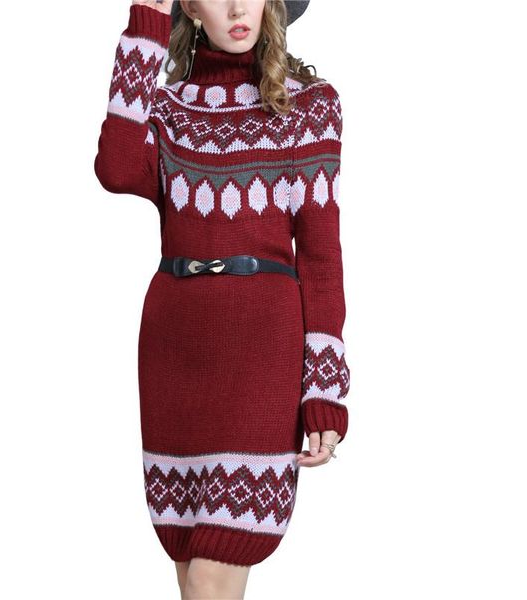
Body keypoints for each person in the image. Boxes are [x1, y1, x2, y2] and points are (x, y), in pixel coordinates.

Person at [94, 1, 351, 597]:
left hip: (262, 351)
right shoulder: (168, 110)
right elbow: (116, 168)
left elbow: (321, 259)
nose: (237, 8)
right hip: (175, 348)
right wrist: (144, 26)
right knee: (191, 571)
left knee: (212, 571)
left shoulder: (309, 108)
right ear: (188, 6)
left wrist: (325, 391)